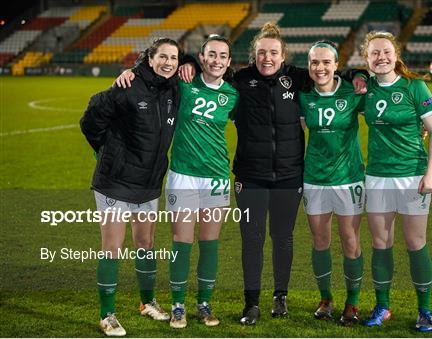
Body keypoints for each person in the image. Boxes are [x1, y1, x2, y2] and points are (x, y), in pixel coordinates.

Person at [174, 22, 366, 326]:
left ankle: (280, 296)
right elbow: (208, 72)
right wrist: (185, 61)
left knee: (282, 237)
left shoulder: (297, 78)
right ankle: (251, 303)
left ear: (283, 55)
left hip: (290, 176)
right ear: (253, 55)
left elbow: (330, 74)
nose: (267, 58)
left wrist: (359, 74)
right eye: (261, 53)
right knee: (251, 239)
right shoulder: (240, 80)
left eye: (273, 53)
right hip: (250, 175)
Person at [114, 35, 239, 329]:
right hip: (183, 174)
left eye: (223, 56)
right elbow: (154, 73)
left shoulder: (233, 95)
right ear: (201, 56)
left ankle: (204, 304)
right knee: (181, 242)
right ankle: (179, 305)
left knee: (210, 243)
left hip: (217, 176)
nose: (216, 61)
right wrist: (132, 70)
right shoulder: (181, 84)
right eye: (211, 55)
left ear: (229, 62)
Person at [80, 37, 181, 337]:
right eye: (163, 57)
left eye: (174, 58)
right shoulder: (127, 85)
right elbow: (91, 120)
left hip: (149, 182)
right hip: (116, 181)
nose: (169, 63)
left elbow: (190, 65)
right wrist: (107, 152)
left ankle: (147, 301)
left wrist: (184, 63)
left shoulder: (173, 88)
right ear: (150, 59)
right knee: (113, 248)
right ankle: (106, 314)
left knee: (146, 244)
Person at [359, 31, 432, 332]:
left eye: (386, 52)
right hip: (377, 176)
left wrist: (430, 173)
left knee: (415, 242)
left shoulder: (414, 87)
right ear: (366, 60)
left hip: (411, 175)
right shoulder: (364, 88)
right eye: (374, 54)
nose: (381, 58)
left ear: (396, 55)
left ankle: (425, 310)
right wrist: (355, 76)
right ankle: (382, 306)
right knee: (381, 243)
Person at [299, 40, 365, 326]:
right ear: (309, 66)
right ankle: (326, 298)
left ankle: (352, 302)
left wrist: (421, 126)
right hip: (314, 178)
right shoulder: (303, 96)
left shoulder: (354, 92)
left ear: (337, 65)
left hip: (348, 179)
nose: (320, 67)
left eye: (326, 62)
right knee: (320, 241)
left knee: (350, 241)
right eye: (315, 62)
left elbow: (385, 104)